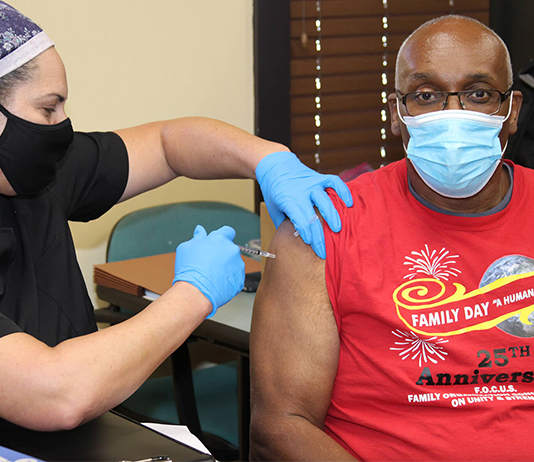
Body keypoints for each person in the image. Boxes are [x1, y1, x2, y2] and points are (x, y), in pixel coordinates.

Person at [0, 2, 353, 432]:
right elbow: (56, 393)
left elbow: (170, 143)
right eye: (48, 109)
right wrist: (192, 294)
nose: (63, 126)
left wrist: (269, 160)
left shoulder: (38, 180)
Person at [250, 15, 534, 461]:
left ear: (512, 112)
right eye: (426, 96)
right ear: (396, 116)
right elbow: (281, 427)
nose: (453, 116)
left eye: (479, 94)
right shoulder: (324, 227)